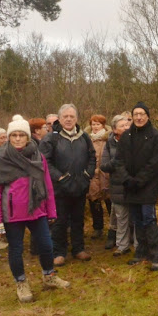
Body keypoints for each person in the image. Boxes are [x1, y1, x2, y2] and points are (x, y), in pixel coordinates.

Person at [0, 115, 69, 303]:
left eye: (21, 135)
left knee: (46, 246)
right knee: (16, 250)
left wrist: (51, 210)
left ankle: (49, 276)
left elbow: (47, 185)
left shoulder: (37, 156)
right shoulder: (1, 159)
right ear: (9, 137)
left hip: (37, 210)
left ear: (28, 137)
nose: (17, 139)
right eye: (13, 135)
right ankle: (21, 283)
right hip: (12, 215)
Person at [39, 104, 96, 266]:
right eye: (65, 116)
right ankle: (58, 252)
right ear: (59, 119)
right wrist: (60, 177)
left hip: (80, 186)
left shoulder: (84, 137)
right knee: (60, 221)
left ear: (76, 118)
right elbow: (45, 162)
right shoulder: (51, 138)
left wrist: (87, 175)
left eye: (72, 116)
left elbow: (92, 157)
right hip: (59, 189)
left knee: (78, 219)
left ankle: (78, 249)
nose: (69, 119)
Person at [114, 102, 158, 271]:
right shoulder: (126, 137)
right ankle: (141, 252)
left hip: (148, 186)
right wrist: (127, 180)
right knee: (136, 220)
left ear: (147, 116)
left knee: (149, 219)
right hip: (130, 186)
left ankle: (156, 254)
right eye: (135, 114)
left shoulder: (156, 136)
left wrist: (139, 181)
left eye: (142, 114)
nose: (139, 117)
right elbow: (118, 161)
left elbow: (156, 164)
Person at [101, 114, 133, 255]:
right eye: (122, 126)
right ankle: (122, 246)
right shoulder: (109, 144)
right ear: (114, 130)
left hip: (133, 184)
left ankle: (138, 244)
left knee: (135, 217)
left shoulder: (135, 140)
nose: (126, 128)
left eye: (127, 125)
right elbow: (104, 166)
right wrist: (117, 160)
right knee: (121, 219)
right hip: (117, 187)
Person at [87, 114, 112, 241]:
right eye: (93, 124)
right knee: (94, 201)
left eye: (98, 124)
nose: (95, 126)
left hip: (106, 174)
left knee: (110, 201)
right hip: (92, 175)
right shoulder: (87, 139)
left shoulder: (108, 139)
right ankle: (98, 227)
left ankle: (114, 228)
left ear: (103, 125)